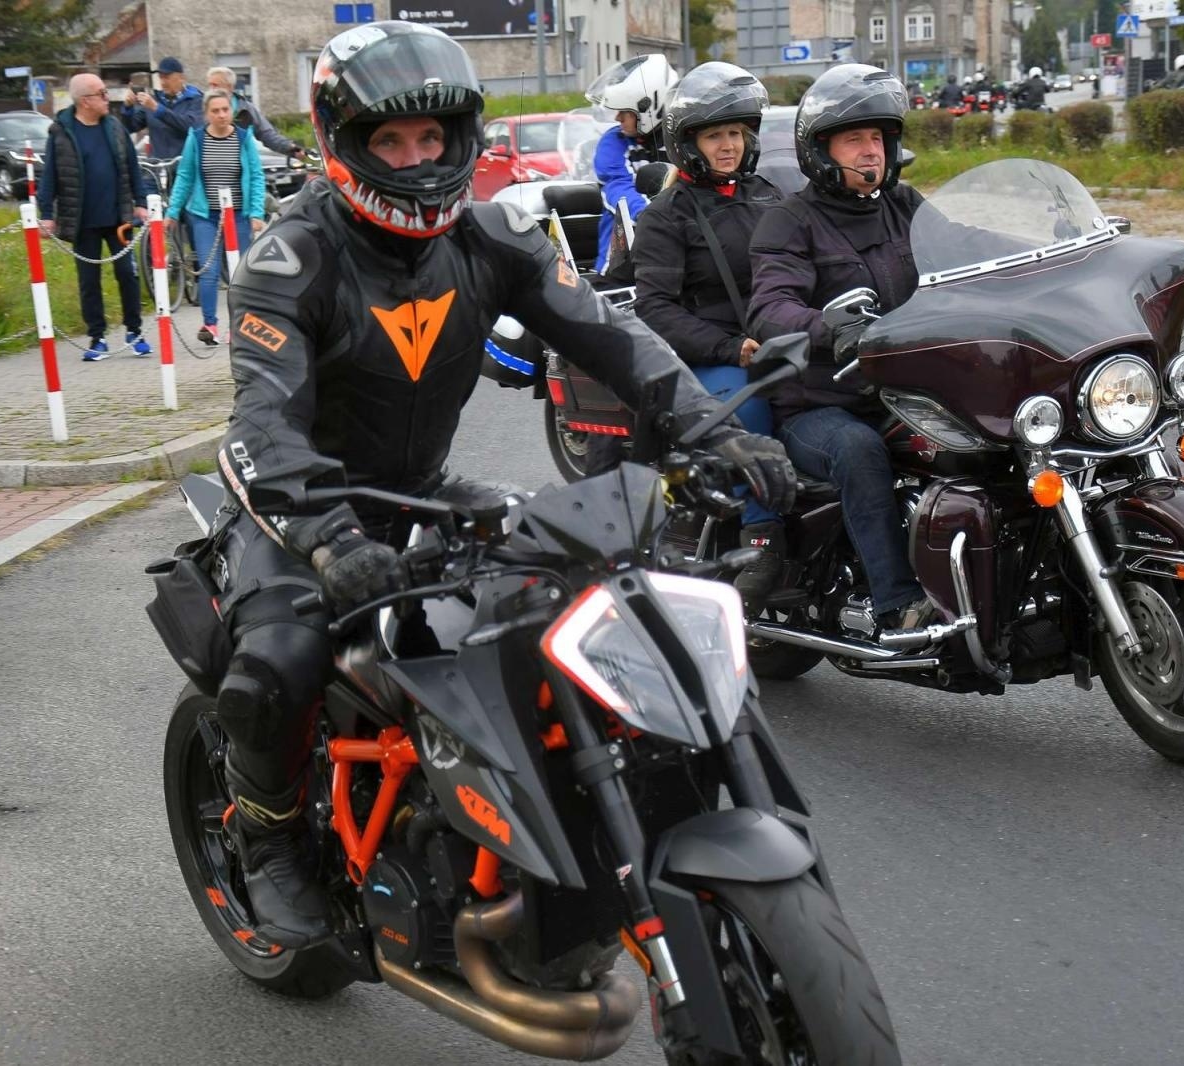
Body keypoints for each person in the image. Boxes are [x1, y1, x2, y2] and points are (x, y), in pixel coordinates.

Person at [208, 20, 796, 947]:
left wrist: (707, 426)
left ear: (458, 138)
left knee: (572, 607)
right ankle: (267, 838)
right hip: (300, 512)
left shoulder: (492, 234)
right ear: (344, 144)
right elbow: (263, 423)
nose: (414, 158)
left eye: (431, 138)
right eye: (390, 141)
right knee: (280, 659)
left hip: (422, 493)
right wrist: (327, 537)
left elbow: (611, 333)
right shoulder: (292, 258)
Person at [747, 64, 935, 633]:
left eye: (877, 138)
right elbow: (770, 307)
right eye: (854, 139)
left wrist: (1056, 250)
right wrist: (833, 327)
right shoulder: (789, 222)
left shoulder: (905, 205)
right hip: (820, 404)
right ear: (822, 151)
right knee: (857, 451)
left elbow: (969, 250)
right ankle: (896, 603)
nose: (870, 151)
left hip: (908, 390)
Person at [631, 61, 788, 608]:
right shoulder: (666, 217)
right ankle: (762, 533)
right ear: (688, 142)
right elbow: (653, 306)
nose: (729, 146)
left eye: (736, 134)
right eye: (716, 134)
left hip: (780, 343)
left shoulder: (769, 196)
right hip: (712, 358)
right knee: (750, 414)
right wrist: (729, 347)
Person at [37, 74, 152, 361]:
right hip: (82, 219)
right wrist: (47, 215)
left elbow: (132, 168)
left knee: (127, 273)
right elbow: (50, 175)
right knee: (89, 280)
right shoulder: (61, 132)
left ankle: (134, 331)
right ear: (85, 101)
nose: (106, 98)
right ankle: (97, 337)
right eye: (101, 93)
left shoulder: (114, 128)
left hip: (118, 217)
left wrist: (140, 202)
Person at [167, 89, 266, 347]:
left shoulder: (244, 139)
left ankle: (240, 325)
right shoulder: (197, 139)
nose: (222, 115)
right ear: (206, 114)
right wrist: (172, 212)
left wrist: (256, 212)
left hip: (238, 215)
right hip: (205, 214)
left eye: (225, 110)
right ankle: (209, 324)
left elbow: (256, 176)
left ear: (231, 111)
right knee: (209, 271)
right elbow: (185, 176)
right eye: (216, 111)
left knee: (240, 273)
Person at [587, 54, 678, 277]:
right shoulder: (614, 142)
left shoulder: (681, 142)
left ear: (650, 108)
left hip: (679, 249)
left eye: (625, 112)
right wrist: (653, 215)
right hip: (622, 261)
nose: (617, 118)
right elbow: (617, 187)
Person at [204, 67, 307, 159]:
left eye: (215, 85)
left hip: (242, 163)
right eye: (210, 85)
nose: (212, 89)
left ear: (230, 87)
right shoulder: (202, 107)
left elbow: (267, 134)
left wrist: (290, 148)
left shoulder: (246, 109)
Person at [124, 56, 204, 160]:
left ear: (181, 78)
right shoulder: (154, 99)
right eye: (160, 77)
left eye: (167, 77)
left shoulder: (195, 99)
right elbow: (131, 127)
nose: (163, 82)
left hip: (184, 167)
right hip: (158, 167)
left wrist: (158, 109)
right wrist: (128, 107)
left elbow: (191, 127)